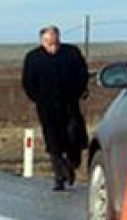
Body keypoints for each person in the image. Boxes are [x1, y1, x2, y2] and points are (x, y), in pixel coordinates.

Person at [21, 25, 89, 191]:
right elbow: (28, 82)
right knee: (53, 141)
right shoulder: (33, 58)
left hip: (70, 103)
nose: (53, 47)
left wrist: (78, 92)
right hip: (47, 106)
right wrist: (38, 98)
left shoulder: (71, 53)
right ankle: (59, 176)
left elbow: (82, 74)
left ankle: (72, 163)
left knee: (74, 135)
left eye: (55, 42)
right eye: (49, 43)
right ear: (42, 41)